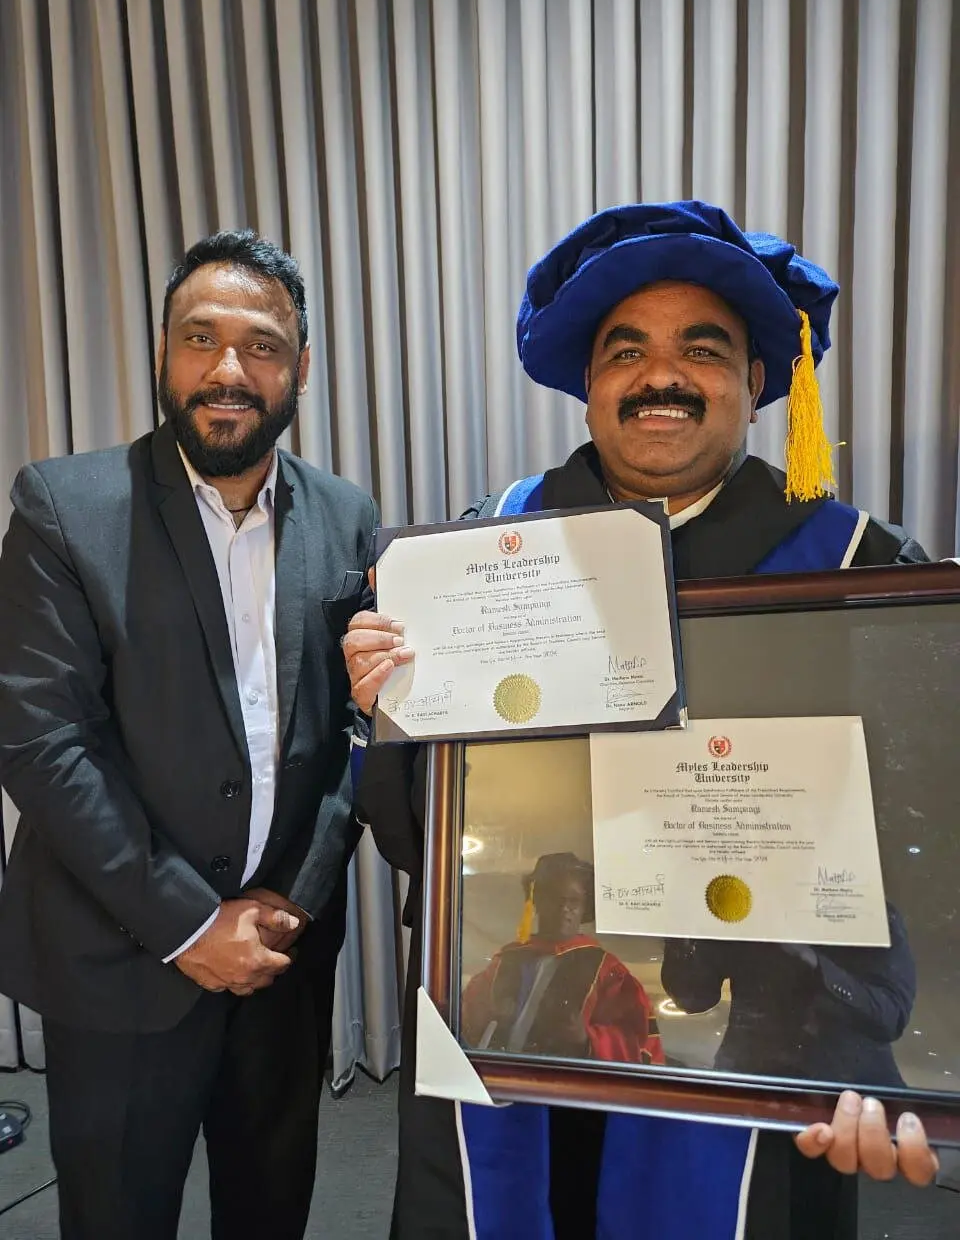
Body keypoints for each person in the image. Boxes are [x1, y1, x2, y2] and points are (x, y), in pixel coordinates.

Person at [345, 202, 940, 1238]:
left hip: (747, 1041)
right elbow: (418, 839)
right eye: (627, 352)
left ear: (757, 380)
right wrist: (385, 716)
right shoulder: (483, 554)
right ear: (590, 384)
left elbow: (912, 850)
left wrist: (900, 1057)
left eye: (701, 349)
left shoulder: (858, 567)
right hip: (517, 1029)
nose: (661, 376)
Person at [0, 230, 377, 1240]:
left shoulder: (349, 516)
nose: (228, 369)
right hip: (122, 953)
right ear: (164, 353)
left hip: (282, 959)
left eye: (262, 345)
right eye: (200, 338)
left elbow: (360, 726)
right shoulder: (65, 506)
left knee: (271, 1208)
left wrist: (297, 897)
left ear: (300, 367)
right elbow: (42, 740)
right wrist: (189, 923)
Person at [661, 903, 915, 1087]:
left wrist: (814, 964)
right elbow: (694, 998)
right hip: (750, 1090)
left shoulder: (868, 911)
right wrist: (681, 938)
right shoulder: (747, 907)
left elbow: (891, 1016)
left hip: (848, 1097)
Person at [462, 852, 663, 1064]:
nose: (564, 909)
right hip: (500, 1076)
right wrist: (484, 1016)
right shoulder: (507, 961)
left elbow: (638, 1040)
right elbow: (466, 1019)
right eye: (553, 898)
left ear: (584, 907)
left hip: (562, 1080)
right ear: (537, 901)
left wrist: (586, 1038)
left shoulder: (607, 970)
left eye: (573, 901)